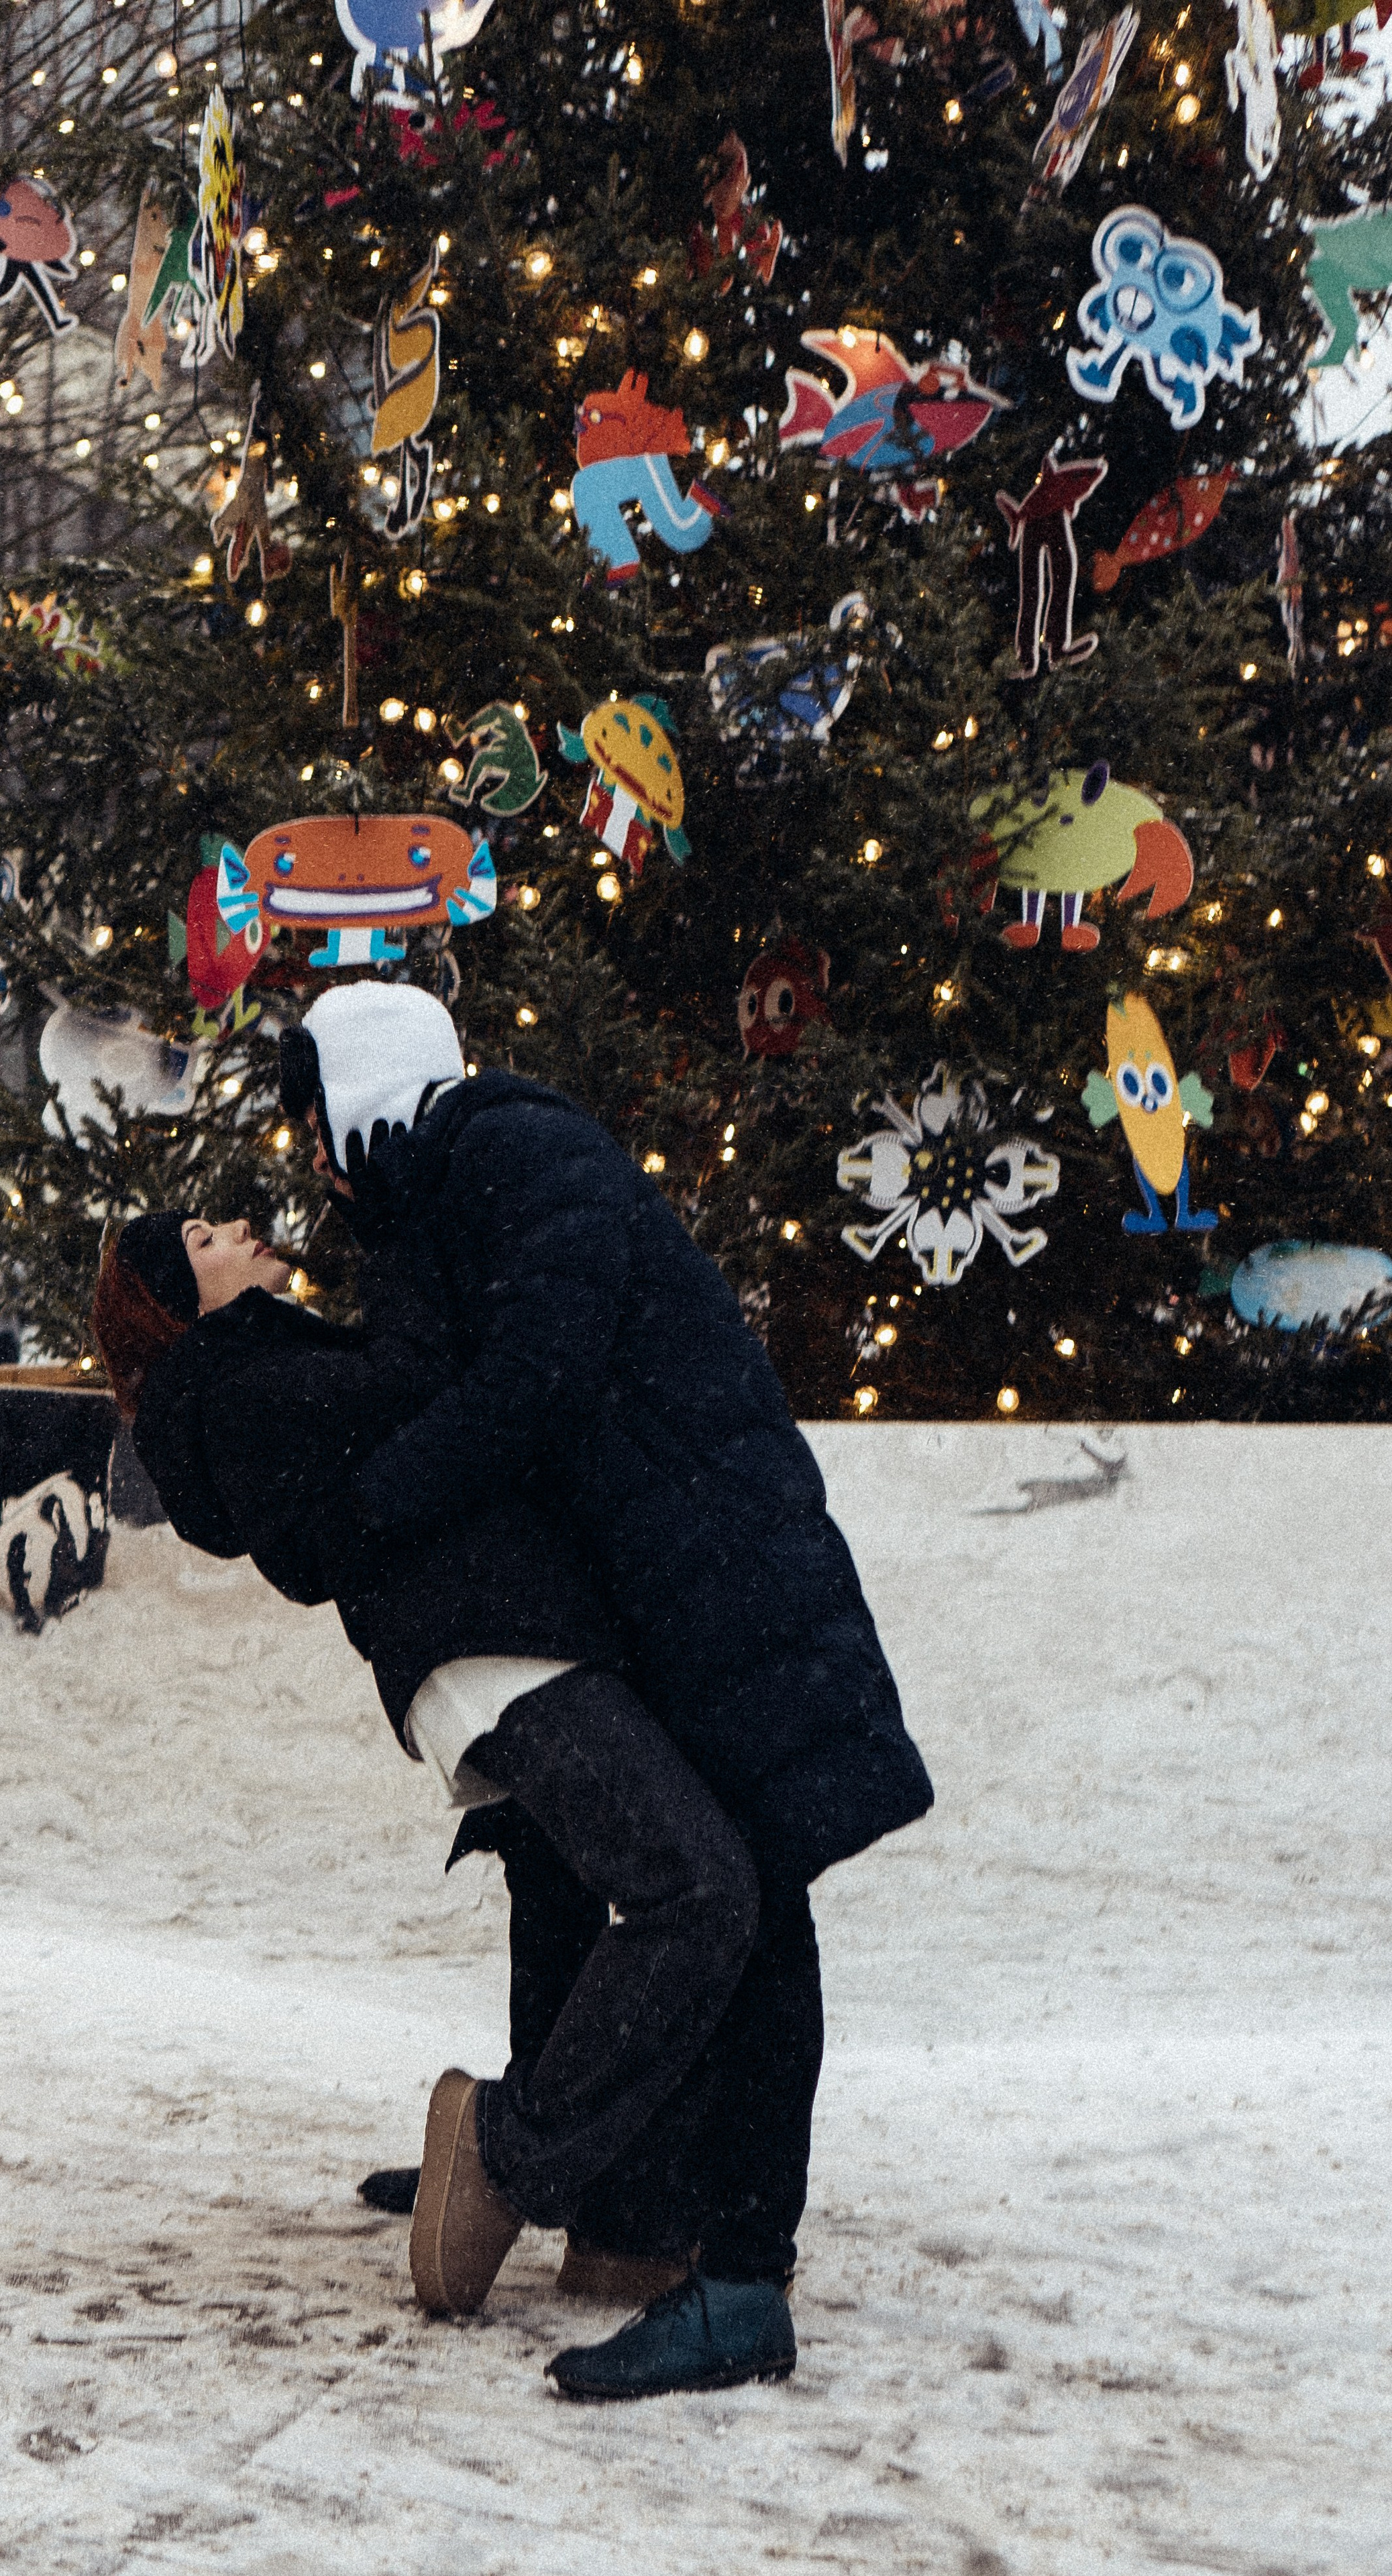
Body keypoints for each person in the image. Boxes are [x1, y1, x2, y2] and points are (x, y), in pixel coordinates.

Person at [276, 981, 934, 2402]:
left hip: (721, 1570)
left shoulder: (520, 1153)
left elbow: (535, 1377)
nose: (320, 1166)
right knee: (566, 1862)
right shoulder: (455, 1186)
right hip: (663, 1573)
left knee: (746, 1904)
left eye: (319, 1125)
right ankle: (565, 2170)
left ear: (367, 1092)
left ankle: (738, 2276)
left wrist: (367, 1509)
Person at [88, 1197, 756, 2330]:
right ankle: (508, 2150)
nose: (236, 1226)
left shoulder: (259, 1369)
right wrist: (403, 1242)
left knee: (562, 1893)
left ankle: (618, 2221)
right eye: (201, 1241)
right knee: (697, 1888)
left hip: (516, 1630)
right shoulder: (239, 1390)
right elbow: (424, 1378)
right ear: (174, 1304)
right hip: (494, 1647)